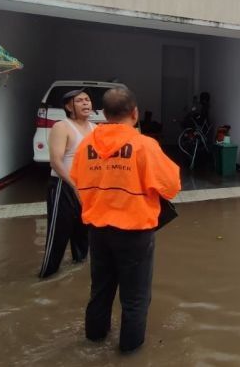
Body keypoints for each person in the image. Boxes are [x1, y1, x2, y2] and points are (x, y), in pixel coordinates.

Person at [70, 87, 181, 354]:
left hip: (97, 229)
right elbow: (171, 187)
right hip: (135, 232)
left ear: (104, 114)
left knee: (100, 291)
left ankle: (94, 340)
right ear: (135, 113)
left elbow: (77, 179)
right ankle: (130, 353)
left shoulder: (87, 145)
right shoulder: (145, 145)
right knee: (135, 298)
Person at [38, 88, 93, 279]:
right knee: (58, 236)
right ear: (69, 107)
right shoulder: (62, 127)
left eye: (87, 99)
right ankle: (46, 276)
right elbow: (55, 161)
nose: (86, 103)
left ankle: (78, 271)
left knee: (83, 234)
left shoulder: (94, 128)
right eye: (80, 101)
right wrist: (74, 186)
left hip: (86, 189)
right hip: (63, 185)